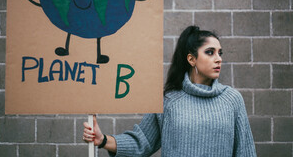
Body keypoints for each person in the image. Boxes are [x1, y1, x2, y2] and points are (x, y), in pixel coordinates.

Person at [83, 25, 256, 156]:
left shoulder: (232, 99)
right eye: (210, 52)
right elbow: (141, 142)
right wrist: (102, 140)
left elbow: (246, 151)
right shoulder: (169, 99)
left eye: (220, 53)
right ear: (191, 59)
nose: (218, 59)